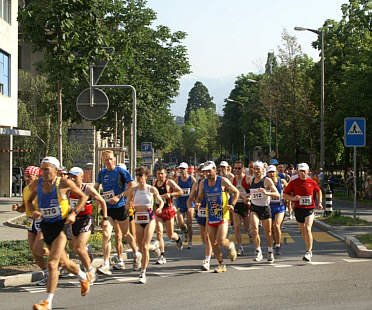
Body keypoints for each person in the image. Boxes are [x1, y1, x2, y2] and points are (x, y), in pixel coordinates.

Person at [27, 157, 91, 310]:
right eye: (41, 169)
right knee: (64, 263)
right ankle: (83, 277)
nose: (43, 172)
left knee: (52, 263)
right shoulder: (37, 183)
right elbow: (29, 202)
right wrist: (34, 210)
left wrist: (74, 213)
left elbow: (83, 197)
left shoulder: (63, 183)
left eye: (46, 169)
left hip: (62, 225)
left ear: (56, 170)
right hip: (46, 225)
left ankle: (47, 303)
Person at [94, 150, 141, 275]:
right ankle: (106, 264)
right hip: (108, 208)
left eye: (110, 159)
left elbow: (132, 185)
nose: (108, 161)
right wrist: (96, 197)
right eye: (106, 159)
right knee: (106, 234)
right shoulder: (102, 173)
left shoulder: (121, 171)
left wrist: (120, 196)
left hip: (120, 207)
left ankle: (136, 253)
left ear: (114, 159)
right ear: (103, 161)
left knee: (125, 234)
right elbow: (96, 187)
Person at [196, 161, 239, 273]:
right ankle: (221, 264)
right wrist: (198, 203)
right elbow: (200, 197)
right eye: (205, 172)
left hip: (223, 214)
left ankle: (230, 246)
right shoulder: (202, 183)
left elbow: (236, 192)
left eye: (209, 171)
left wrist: (232, 204)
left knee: (220, 240)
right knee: (213, 242)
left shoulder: (222, 181)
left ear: (215, 169)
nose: (207, 174)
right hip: (210, 215)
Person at [67, 167, 108, 283]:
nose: (72, 179)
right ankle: (87, 250)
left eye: (75, 177)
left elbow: (102, 201)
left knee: (79, 248)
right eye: (71, 177)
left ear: (81, 176)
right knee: (74, 248)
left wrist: (104, 218)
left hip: (86, 219)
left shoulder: (87, 189)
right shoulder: (69, 190)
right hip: (74, 220)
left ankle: (90, 271)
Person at [127, 166, 164, 284]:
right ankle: (155, 247)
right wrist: (129, 205)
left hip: (150, 218)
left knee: (144, 245)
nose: (138, 178)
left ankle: (143, 273)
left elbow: (161, 201)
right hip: (138, 218)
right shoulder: (134, 190)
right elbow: (128, 202)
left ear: (146, 176)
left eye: (141, 175)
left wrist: (160, 208)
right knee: (141, 246)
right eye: (137, 175)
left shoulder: (151, 189)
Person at [12, 166, 48, 286]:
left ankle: (59, 257)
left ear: (37, 176)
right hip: (30, 222)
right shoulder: (26, 189)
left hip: (42, 221)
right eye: (25, 176)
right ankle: (47, 272)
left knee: (37, 250)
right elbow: (24, 207)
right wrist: (18, 209)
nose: (26, 179)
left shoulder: (43, 189)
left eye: (29, 176)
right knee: (34, 252)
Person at [283, 163, 323, 262]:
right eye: (300, 171)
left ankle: (308, 251)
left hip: (310, 208)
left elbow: (318, 191)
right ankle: (308, 248)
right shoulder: (293, 182)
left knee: (307, 228)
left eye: (304, 171)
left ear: (308, 171)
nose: (302, 173)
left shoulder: (312, 182)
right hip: (298, 209)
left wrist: (320, 202)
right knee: (303, 231)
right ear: (298, 172)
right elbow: (284, 195)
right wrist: (293, 198)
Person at [249, 161, 280, 263]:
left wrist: (266, 192)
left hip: (265, 208)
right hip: (254, 208)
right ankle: (258, 251)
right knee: (254, 229)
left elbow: (277, 194)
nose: (256, 171)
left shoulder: (267, 180)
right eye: (254, 168)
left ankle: (270, 250)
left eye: (258, 169)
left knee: (268, 232)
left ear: (263, 170)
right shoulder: (251, 180)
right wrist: (247, 197)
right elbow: (252, 194)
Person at [153, 166, 184, 264]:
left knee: (170, 234)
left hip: (168, 210)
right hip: (159, 211)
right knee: (159, 233)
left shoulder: (169, 182)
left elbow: (181, 192)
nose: (160, 176)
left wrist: (171, 195)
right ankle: (162, 256)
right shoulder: (154, 184)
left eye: (162, 173)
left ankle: (178, 238)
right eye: (158, 174)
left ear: (165, 174)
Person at [188, 163, 212, 270]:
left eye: (204, 171)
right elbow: (191, 198)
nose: (202, 174)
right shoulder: (196, 184)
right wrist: (190, 206)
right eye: (201, 172)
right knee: (203, 237)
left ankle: (207, 260)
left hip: (212, 211)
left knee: (207, 236)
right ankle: (211, 250)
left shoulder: (213, 182)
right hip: (201, 211)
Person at [267, 165, 288, 256]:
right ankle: (276, 242)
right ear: (267, 173)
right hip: (269, 207)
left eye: (273, 172)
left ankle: (278, 246)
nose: (272, 174)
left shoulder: (282, 181)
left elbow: (289, 190)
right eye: (270, 172)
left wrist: (287, 198)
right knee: (271, 228)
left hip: (280, 207)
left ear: (276, 173)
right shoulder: (265, 182)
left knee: (276, 225)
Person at [231, 160, 251, 256]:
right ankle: (240, 247)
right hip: (236, 204)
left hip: (245, 205)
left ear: (243, 169)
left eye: (239, 168)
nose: (237, 170)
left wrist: (247, 198)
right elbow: (230, 190)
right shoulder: (233, 179)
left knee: (246, 227)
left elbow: (253, 192)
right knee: (237, 226)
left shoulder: (248, 179)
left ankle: (249, 232)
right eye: (235, 168)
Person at [175, 162, 196, 248]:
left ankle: (190, 241)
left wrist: (194, 198)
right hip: (180, 203)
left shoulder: (192, 179)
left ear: (187, 169)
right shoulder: (177, 179)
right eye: (180, 169)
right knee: (180, 223)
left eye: (183, 169)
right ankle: (185, 231)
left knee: (189, 223)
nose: (182, 170)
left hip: (190, 203)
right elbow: (173, 189)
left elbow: (196, 190)